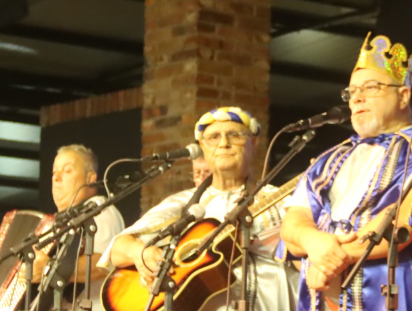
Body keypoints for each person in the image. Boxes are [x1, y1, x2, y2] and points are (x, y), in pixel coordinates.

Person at [278, 33, 412, 311]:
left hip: (393, 288)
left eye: (370, 88)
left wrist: (331, 257)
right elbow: (294, 222)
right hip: (323, 293)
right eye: (352, 92)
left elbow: (404, 220)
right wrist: (315, 243)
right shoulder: (332, 156)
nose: (357, 99)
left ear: (403, 94)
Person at [100, 107, 299, 311]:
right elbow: (117, 249)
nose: (224, 143)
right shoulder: (186, 202)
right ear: (203, 147)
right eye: (214, 137)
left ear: (253, 143)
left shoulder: (283, 200)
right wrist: (141, 253)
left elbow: (310, 260)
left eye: (235, 135)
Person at [30, 144, 125, 311]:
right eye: (54, 173)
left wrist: (49, 268)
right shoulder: (52, 225)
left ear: (90, 178)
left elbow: (102, 263)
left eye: (67, 171)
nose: (57, 178)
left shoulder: (99, 210)